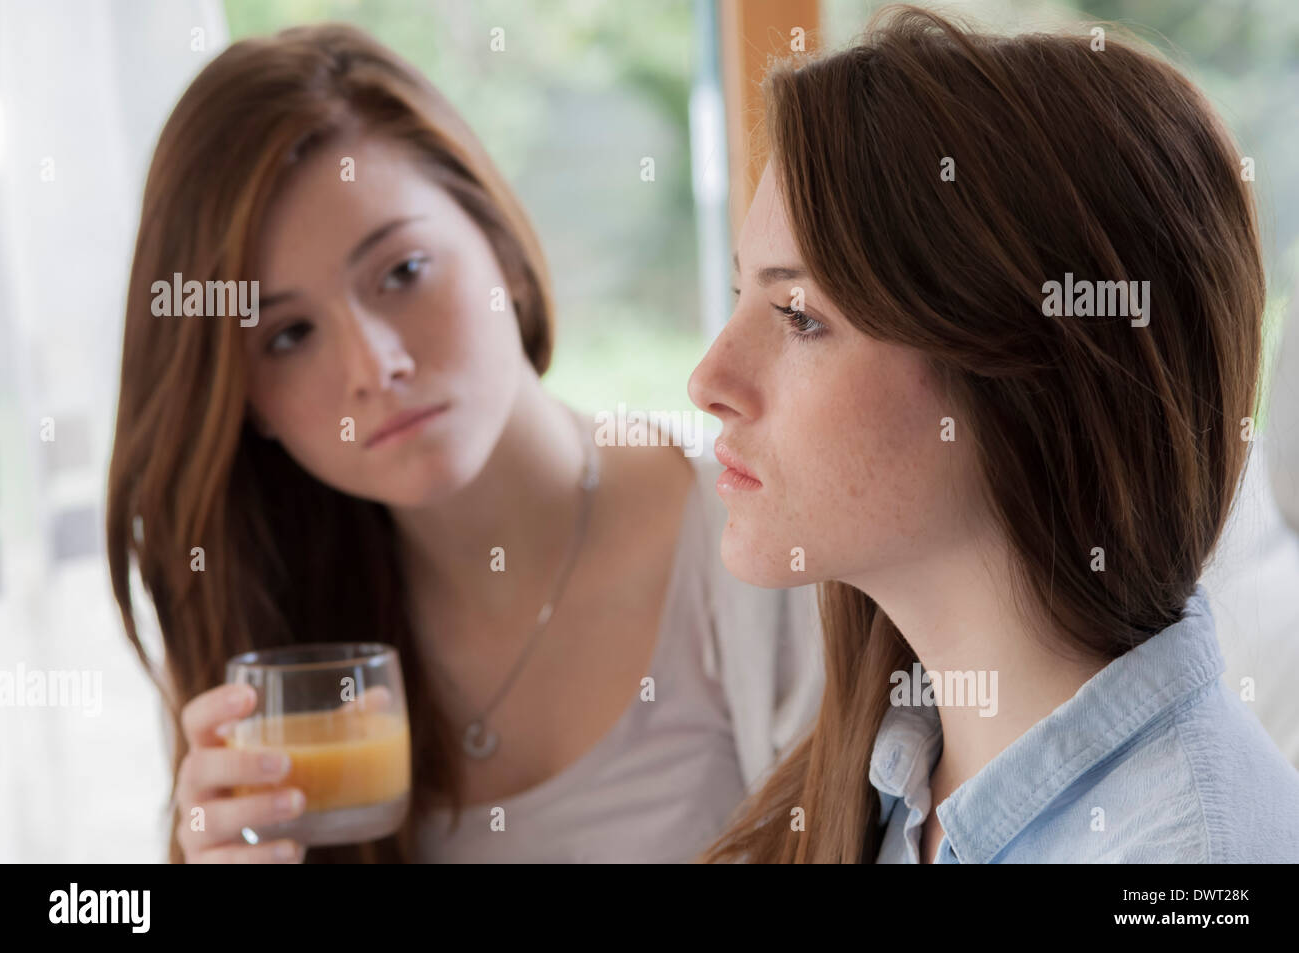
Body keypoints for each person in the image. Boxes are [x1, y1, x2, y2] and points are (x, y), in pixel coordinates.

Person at [105, 22, 822, 863]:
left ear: (504, 251)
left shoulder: (763, 556)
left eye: (402, 272)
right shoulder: (266, 646)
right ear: (245, 399)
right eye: (289, 335)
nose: (376, 366)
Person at [689, 5, 1299, 863]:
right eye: (740, 296)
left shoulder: (1189, 867)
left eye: (798, 316)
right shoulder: (899, 771)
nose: (708, 381)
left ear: (1031, 382)